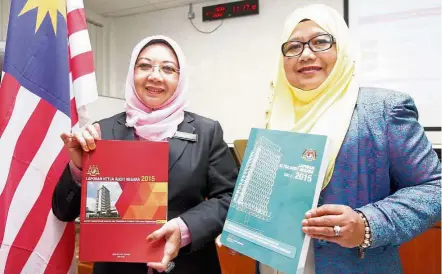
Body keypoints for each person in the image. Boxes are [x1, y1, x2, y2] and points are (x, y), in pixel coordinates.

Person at [222, 4, 441, 274]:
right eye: (293, 47)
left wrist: (367, 223)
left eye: (320, 42)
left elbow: (434, 187)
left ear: (343, 49)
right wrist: (244, 227)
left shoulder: (383, 109)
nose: (305, 55)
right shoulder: (275, 114)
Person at [52, 35, 238, 274]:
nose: (155, 76)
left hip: (188, 265)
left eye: (168, 69)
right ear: (132, 72)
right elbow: (63, 211)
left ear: (180, 78)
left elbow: (229, 198)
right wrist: (79, 169)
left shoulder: (206, 132)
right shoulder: (102, 132)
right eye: (145, 65)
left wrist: (184, 228)